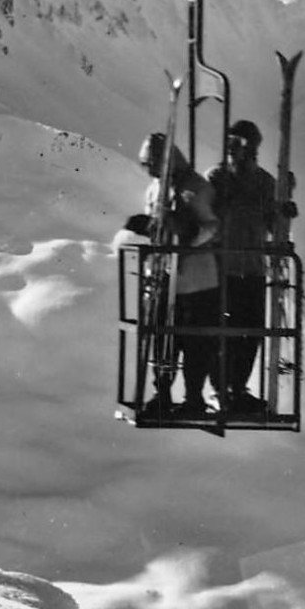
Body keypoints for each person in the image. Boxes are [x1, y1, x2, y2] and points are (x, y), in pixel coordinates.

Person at [124, 131, 221, 416]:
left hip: (197, 278)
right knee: (162, 339)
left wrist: (184, 229)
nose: (150, 170)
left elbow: (211, 227)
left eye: (152, 163)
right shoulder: (155, 190)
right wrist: (150, 227)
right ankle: (162, 393)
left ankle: (193, 398)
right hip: (164, 275)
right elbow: (159, 227)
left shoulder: (196, 188)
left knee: (195, 343)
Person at [205, 119, 297, 413]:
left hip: (252, 269)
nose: (238, 151)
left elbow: (274, 227)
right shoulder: (216, 179)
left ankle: (236, 388)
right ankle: (222, 390)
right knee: (223, 331)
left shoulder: (265, 183)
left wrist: (284, 209)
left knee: (251, 331)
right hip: (222, 269)